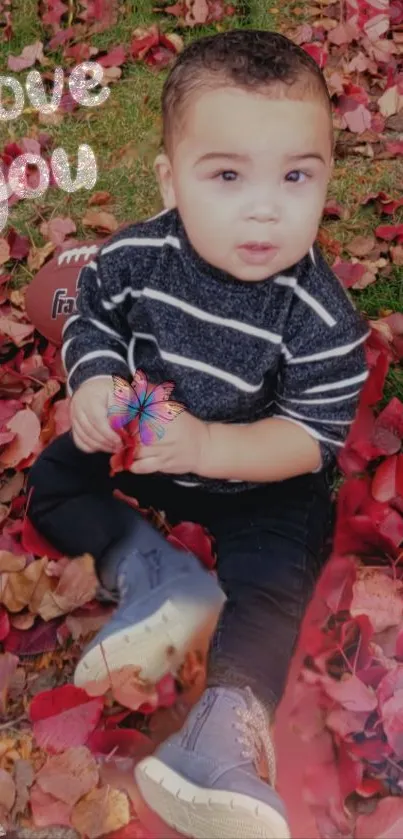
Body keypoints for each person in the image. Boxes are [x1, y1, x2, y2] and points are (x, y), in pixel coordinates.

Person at [26, 28, 370, 839]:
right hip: (144, 435)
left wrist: (214, 448)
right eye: (225, 175)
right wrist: (96, 381)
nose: (263, 206)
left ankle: (226, 727)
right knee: (54, 483)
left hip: (255, 474)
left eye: (295, 176)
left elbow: (305, 438)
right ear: (169, 180)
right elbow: (93, 317)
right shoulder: (136, 256)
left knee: (275, 573)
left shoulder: (321, 317)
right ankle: (154, 576)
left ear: (326, 180)